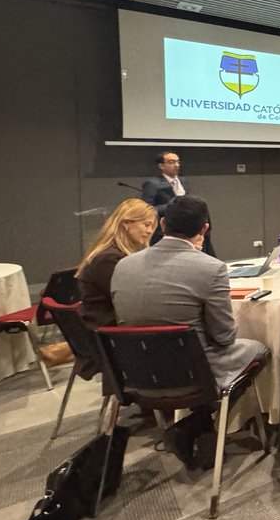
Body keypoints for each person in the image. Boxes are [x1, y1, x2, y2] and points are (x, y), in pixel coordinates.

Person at [111, 195, 269, 467]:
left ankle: (198, 425)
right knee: (262, 348)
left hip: (135, 376)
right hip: (194, 378)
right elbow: (224, 338)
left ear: (162, 224)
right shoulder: (211, 268)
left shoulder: (123, 266)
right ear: (204, 229)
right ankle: (204, 424)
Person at [75, 198, 156, 333]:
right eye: (146, 225)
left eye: (152, 227)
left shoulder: (116, 254)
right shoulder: (108, 259)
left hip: (111, 326)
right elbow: (127, 298)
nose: (150, 231)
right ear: (126, 224)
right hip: (106, 331)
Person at [142, 150, 214, 256]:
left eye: (178, 162)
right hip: (165, 230)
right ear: (161, 165)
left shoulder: (183, 181)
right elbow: (146, 209)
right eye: (171, 162)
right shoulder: (153, 184)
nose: (176, 165)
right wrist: (173, 205)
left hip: (186, 228)